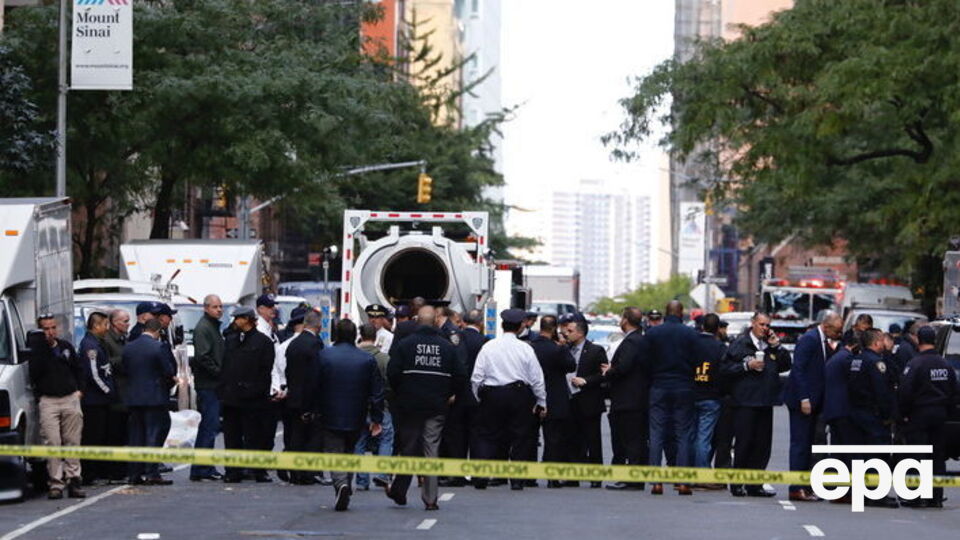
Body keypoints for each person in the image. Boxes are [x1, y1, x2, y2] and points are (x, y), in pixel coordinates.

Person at [387, 306, 464, 507]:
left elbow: (392, 373)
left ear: (417, 321)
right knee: (432, 448)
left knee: (409, 447)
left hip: (410, 404)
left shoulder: (405, 345)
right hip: (437, 405)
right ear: (435, 321)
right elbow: (460, 375)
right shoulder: (447, 347)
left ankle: (399, 490)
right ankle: (430, 499)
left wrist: (402, 392)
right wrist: (449, 393)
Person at [312, 319, 384, 511]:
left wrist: (311, 410)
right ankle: (344, 485)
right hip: (357, 414)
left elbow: (314, 386)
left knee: (334, 452)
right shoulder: (366, 359)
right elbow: (376, 392)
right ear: (355, 335)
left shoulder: (324, 356)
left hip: (329, 413)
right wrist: (377, 418)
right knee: (350, 451)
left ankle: (341, 484)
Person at [471, 309, 546, 491]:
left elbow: (476, 377)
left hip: (492, 394)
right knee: (520, 436)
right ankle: (517, 480)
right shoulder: (526, 348)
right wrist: (541, 401)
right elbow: (536, 378)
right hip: (519, 394)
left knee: (487, 435)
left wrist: (479, 397)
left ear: (503, 325)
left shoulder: (489, 346)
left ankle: (481, 475)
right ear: (521, 326)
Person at [720, 312, 790, 497]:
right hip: (745, 401)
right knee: (744, 443)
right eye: (761, 324)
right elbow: (725, 370)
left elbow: (785, 365)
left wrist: (777, 347)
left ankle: (755, 484)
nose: (764, 328)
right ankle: (737, 483)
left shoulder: (770, 346)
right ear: (752, 324)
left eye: (767, 325)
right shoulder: (740, 344)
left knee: (762, 445)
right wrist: (746, 366)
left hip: (765, 401)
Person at [783, 311, 842, 502]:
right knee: (800, 445)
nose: (838, 334)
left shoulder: (823, 341)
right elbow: (798, 369)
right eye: (837, 330)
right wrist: (804, 398)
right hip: (803, 402)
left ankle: (805, 486)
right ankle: (796, 487)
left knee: (808, 445)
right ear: (826, 326)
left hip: (815, 402)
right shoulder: (809, 339)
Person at [641, 301, 699, 496]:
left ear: (666, 313)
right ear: (681, 313)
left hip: (659, 385)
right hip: (684, 386)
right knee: (683, 434)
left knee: (656, 432)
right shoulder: (690, 334)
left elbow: (644, 361)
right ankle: (682, 482)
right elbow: (698, 361)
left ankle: (656, 482)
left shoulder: (653, 333)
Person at [898, 326, 957, 508]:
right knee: (937, 456)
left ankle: (916, 497)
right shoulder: (946, 365)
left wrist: (903, 414)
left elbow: (905, 392)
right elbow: (955, 392)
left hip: (919, 415)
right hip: (940, 415)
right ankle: (936, 496)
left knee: (916, 455)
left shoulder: (915, 364)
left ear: (918, 340)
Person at [28, 316, 85, 499]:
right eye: (45, 329)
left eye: (53, 328)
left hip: (69, 397)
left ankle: (74, 479)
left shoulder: (65, 347)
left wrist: (79, 391)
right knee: (52, 442)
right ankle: (55, 482)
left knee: (72, 441)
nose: (50, 332)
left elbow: (78, 369)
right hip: (49, 400)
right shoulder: (37, 352)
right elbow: (35, 374)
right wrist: (43, 348)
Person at [219, 306, 275, 483]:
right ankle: (233, 471)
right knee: (232, 437)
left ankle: (258, 471)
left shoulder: (263, 342)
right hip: (232, 398)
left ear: (248, 320)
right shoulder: (232, 340)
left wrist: (256, 391)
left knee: (255, 437)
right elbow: (226, 367)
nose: (235, 322)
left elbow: (265, 371)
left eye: (238, 319)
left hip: (253, 398)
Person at [846, 328, 899, 508]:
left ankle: (863, 492)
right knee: (878, 456)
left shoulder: (857, 360)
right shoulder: (876, 363)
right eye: (882, 340)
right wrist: (887, 416)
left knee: (862, 456)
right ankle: (877, 495)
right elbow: (881, 392)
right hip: (874, 416)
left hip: (857, 414)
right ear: (876, 343)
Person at [123, 319, 176, 485]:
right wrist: (170, 382)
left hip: (134, 397)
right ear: (158, 331)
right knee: (154, 433)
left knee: (136, 436)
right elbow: (167, 371)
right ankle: (152, 471)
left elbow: (125, 369)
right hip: (154, 397)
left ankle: (134, 473)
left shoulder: (129, 347)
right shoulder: (158, 347)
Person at [602, 307, 649, 491]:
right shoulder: (642, 340)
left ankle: (632, 480)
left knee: (630, 440)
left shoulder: (632, 342)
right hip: (637, 398)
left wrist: (610, 371)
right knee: (636, 439)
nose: (620, 321)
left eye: (622, 317)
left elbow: (624, 367)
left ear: (626, 320)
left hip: (628, 399)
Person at [438, 309, 486, 487]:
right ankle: (478, 474)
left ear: (463, 322)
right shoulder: (484, 341)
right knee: (477, 435)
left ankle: (456, 475)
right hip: (477, 395)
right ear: (480, 324)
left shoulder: (457, 338)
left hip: (458, 394)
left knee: (456, 435)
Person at [560, 312, 607, 488]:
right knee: (572, 439)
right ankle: (573, 476)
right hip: (570, 400)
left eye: (570, 331)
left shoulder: (596, 350)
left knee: (592, 440)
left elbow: (603, 375)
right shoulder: (565, 349)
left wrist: (586, 381)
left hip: (589, 401)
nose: (566, 333)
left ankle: (595, 477)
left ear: (580, 332)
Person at [528, 315, 576, 488]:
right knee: (553, 439)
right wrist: (563, 347)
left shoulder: (530, 347)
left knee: (529, 438)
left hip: (532, 397)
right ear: (554, 328)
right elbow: (571, 366)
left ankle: (528, 477)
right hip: (555, 397)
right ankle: (552, 477)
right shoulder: (558, 349)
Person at [282, 311, 326, 484]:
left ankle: (295, 472)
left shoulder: (294, 344)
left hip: (294, 397)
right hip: (310, 399)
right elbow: (315, 375)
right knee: (312, 438)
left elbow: (289, 371)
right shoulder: (315, 344)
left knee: (295, 436)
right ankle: (308, 473)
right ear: (318, 326)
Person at [189, 294, 225, 482]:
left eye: (220, 307)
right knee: (208, 427)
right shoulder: (204, 328)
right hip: (208, 385)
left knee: (210, 427)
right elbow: (203, 357)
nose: (219, 310)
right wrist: (220, 372)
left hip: (212, 384)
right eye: (215, 307)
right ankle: (201, 468)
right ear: (205, 308)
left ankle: (204, 466)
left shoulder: (212, 327)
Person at [353, 323, 394, 491]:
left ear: (361, 336)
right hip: (382, 405)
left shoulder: (354, 356)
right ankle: (382, 474)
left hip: (358, 406)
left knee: (359, 442)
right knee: (385, 439)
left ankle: (362, 481)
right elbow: (391, 384)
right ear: (375, 338)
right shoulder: (384, 359)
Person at [79, 311, 117, 485]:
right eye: (105, 325)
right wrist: (108, 391)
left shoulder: (97, 343)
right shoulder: (90, 346)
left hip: (100, 399)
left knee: (100, 435)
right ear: (96, 326)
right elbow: (93, 373)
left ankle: (95, 471)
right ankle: (88, 474)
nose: (106, 328)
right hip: (94, 400)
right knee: (92, 437)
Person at [692, 313, 726, 473]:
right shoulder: (719, 348)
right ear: (718, 329)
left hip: (691, 393)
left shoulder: (691, 343)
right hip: (711, 396)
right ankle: (702, 473)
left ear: (702, 326)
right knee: (704, 438)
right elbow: (723, 372)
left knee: (689, 435)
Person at [102, 309, 130, 481]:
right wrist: (125, 359)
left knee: (122, 433)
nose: (128, 324)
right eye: (125, 321)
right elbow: (107, 363)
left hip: (125, 393)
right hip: (115, 394)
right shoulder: (108, 340)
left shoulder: (123, 339)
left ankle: (121, 468)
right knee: (114, 434)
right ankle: (113, 470)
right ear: (114, 323)